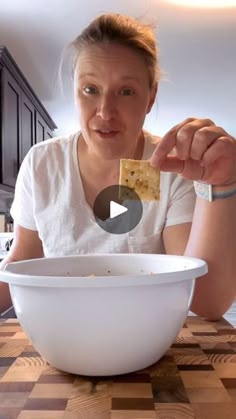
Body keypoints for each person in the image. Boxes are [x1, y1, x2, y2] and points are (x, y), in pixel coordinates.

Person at [0, 13, 236, 319]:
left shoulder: (172, 168)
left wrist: (222, 183)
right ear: (75, 91)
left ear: (150, 98)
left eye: (126, 91)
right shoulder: (42, 163)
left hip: (148, 338)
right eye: (90, 89)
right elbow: (22, 260)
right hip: (63, 333)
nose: (105, 112)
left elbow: (205, 300)